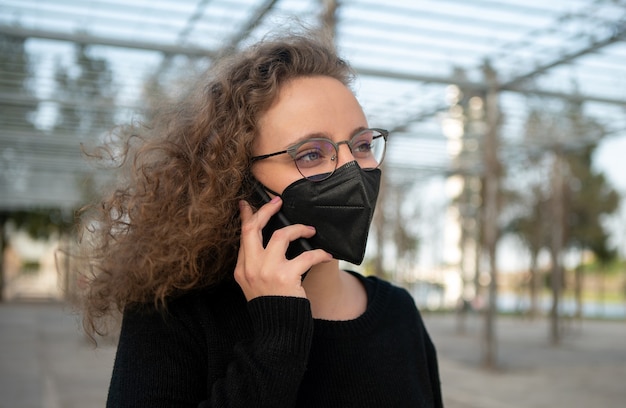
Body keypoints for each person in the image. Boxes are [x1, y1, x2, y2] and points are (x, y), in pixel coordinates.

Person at [77, 29, 443, 408]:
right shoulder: (172, 312)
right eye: (311, 154)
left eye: (363, 144)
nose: (352, 168)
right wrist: (277, 341)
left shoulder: (399, 314)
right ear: (240, 181)